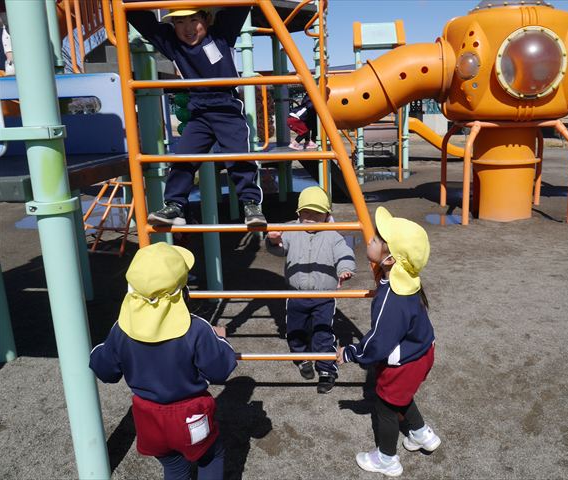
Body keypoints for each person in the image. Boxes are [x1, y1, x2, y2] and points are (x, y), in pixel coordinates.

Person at [90, 242, 237, 479]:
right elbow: (219, 370)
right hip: (190, 415)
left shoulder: (122, 329)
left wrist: (101, 350)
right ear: (182, 290)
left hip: (148, 418)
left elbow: (105, 370)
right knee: (210, 455)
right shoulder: (196, 329)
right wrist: (220, 340)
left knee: (174, 465)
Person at [127, 6, 266, 227]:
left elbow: (239, 7)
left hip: (226, 108)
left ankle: (251, 204)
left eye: (194, 20)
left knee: (238, 156)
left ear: (206, 19)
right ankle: (175, 205)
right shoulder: (173, 44)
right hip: (199, 112)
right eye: (180, 22)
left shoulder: (221, 35)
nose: (188, 28)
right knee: (182, 158)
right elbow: (139, 16)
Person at [337, 206, 440, 477]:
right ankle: (422, 434)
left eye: (377, 239)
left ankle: (387, 459)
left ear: (391, 259)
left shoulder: (392, 298)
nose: (370, 239)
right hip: (422, 352)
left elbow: (378, 343)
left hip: (404, 362)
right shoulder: (408, 280)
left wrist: (350, 352)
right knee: (400, 396)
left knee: (385, 406)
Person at [266, 186, 355, 393]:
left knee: (323, 333)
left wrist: (345, 269)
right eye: (306, 213)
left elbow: (344, 253)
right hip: (295, 294)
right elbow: (279, 249)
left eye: (317, 214)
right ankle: (302, 358)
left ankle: (326, 369)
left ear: (327, 215)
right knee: (295, 331)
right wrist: (274, 240)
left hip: (323, 296)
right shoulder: (291, 230)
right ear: (298, 213)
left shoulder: (333, 235)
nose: (311, 218)